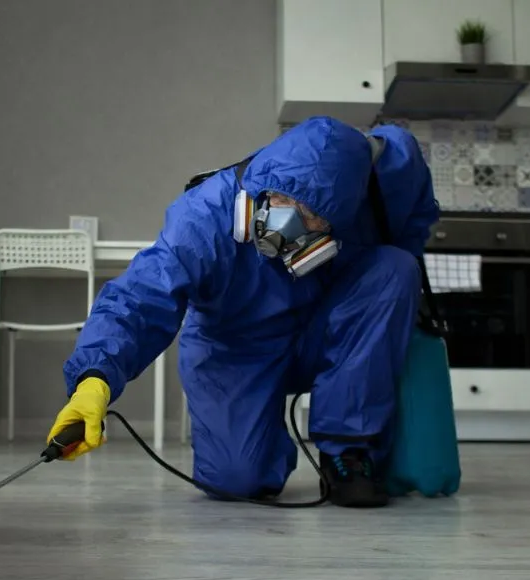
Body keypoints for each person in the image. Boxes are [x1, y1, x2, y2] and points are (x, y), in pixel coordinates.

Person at [46, 115, 439, 508]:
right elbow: (139, 298)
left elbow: (410, 202)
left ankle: (348, 450)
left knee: (395, 268)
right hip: (234, 348)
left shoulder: (376, 180)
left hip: (324, 327)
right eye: (282, 200)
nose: (287, 221)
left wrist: (392, 313)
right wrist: (94, 379)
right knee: (237, 480)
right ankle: (259, 449)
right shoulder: (203, 218)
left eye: (310, 216)